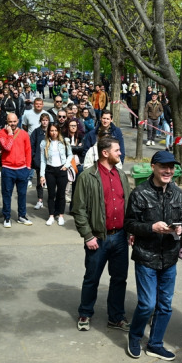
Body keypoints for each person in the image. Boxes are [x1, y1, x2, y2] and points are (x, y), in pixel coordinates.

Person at [124, 150, 182, 361]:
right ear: (153, 167)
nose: (168, 171)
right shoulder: (139, 193)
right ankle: (134, 336)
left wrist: (180, 229)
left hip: (169, 257)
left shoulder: (177, 193)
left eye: (171, 167)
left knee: (165, 305)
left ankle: (155, 344)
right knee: (147, 304)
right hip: (146, 257)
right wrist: (151, 227)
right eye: (164, 167)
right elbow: (130, 224)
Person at [73, 137, 132, 332]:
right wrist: (88, 236)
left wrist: (130, 231)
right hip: (98, 238)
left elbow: (129, 205)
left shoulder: (122, 175)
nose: (120, 153)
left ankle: (116, 317)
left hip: (121, 238)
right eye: (117, 150)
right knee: (92, 278)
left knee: (119, 279)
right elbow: (78, 209)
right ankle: (85, 313)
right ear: (105, 153)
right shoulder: (87, 176)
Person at [0, 113, 34, 227]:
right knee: (7, 194)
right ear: (6, 122)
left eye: (14, 121)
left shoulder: (24, 134)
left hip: (22, 169)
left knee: (22, 194)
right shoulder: (1, 133)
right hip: (8, 168)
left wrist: (28, 167)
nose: (12, 124)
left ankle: (22, 216)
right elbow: (7, 147)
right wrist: (9, 134)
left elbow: (28, 151)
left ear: (18, 121)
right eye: (10, 122)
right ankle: (7, 217)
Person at [39, 123, 72, 227]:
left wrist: (66, 165)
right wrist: (42, 175)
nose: (54, 133)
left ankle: (61, 215)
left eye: (55, 130)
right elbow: (43, 160)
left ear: (59, 131)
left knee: (61, 194)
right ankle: (51, 215)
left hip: (61, 169)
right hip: (50, 170)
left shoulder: (65, 141)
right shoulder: (44, 143)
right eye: (52, 130)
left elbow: (70, 154)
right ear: (48, 131)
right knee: (51, 194)